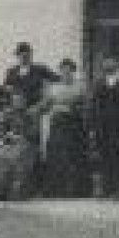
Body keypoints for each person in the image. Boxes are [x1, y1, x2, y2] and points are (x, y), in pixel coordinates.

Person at [40, 59, 91, 198]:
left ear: (73, 71)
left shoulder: (80, 87)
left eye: (69, 70)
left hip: (74, 124)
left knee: (73, 155)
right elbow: (45, 105)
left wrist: (76, 109)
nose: (66, 73)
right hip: (57, 123)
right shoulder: (54, 88)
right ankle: (56, 189)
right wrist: (39, 109)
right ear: (60, 71)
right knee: (56, 154)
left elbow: (85, 105)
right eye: (63, 70)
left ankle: (75, 190)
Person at [89, 57, 119, 199]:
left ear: (117, 65)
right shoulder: (99, 83)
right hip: (102, 126)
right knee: (104, 156)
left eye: (111, 64)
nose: (108, 67)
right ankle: (105, 188)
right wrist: (92, 126)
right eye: (106, 65)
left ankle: (117, 189)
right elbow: (93, 105)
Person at [0, 87, 40, 200]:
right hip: (9, 143)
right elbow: (0, 131)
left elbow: (34, 132)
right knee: (0, 158)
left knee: (18, 156)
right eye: (15, 100)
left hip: (25, 143)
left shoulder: (30, 115)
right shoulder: (7, 114)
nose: (18, 103)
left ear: (24, 101)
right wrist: (7, 136)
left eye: (20, 100)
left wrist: (21, 136)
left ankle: (16, 191)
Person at [3, 42, 57, 109]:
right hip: (17, 108)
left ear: (30, 55)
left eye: (26, 55)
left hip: (36, 108)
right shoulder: (11, 72)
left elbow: (57, 79)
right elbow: (5, 90)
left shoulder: (40, 70)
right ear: (17, 56)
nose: (24, 57)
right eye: (21, 55)